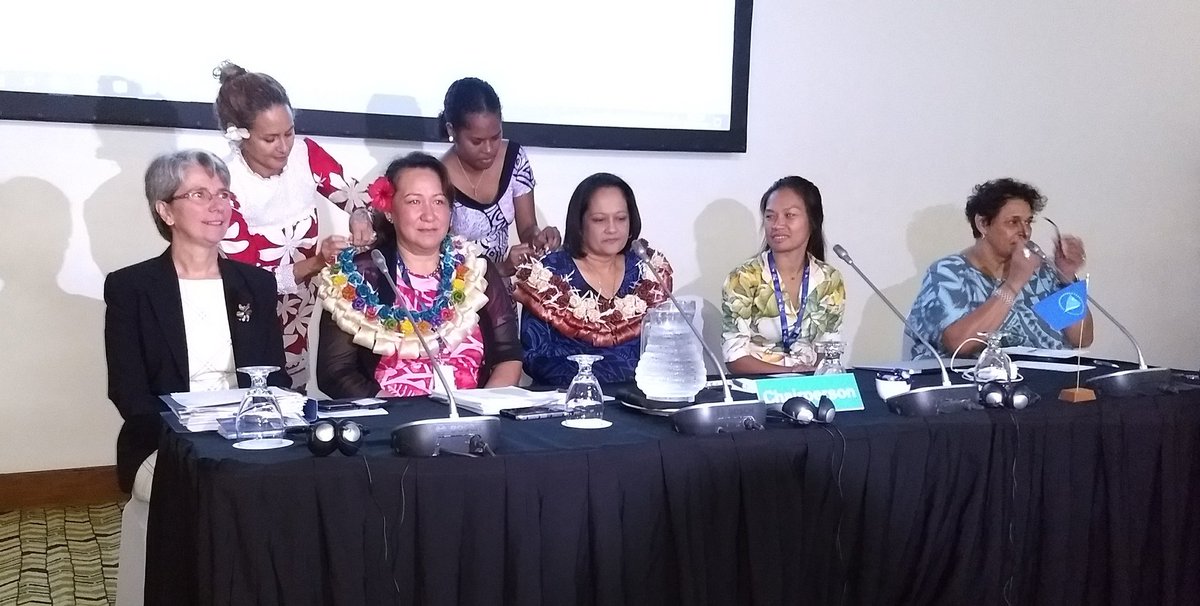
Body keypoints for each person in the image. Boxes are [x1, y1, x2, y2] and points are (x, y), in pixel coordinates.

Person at [104, 150, 288, 605]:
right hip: (167, 440)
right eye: (200, 194)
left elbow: (274, 377)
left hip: (247, 431)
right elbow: (128, 392)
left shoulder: (255, 285)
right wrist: (191, 437)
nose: (217, 205)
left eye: (223, 194)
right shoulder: (132, 288)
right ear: (165, 209)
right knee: (218, 482)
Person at [213, 61, 374, 391]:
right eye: (270, 138)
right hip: (250, 312)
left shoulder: (305, 154)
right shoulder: (226, 185)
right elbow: (254, 279)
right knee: (256, 389)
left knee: (294, 392)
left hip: (299, 308)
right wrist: (317, 261)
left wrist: (360, 214)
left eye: (289, 133)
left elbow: (355, 194)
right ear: (238, 135)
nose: (284, 146)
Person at [316, 152, 523, 398]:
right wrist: (392, 409)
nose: (429, 214)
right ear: (390, 211)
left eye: (438, 201)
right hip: (389, 421)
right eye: (414, 201)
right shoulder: (357, 277)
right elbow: (334, 372)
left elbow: (508, 356)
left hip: (470, 422)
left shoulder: (477, 272)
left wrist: (481, 411)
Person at [513, 173, 673, 386]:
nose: (612, 229)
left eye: (621, 218)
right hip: (568, 399)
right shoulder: (550, 272)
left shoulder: (644, 268)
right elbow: (535, 357)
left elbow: (664, 346)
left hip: (638, 399)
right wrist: (598, 376)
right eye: (599, 219)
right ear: (579, 223)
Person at [906, 178, 1093, 359]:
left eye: (1028, 222)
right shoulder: (949, 273)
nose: (1025, 231)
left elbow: (1081, 338)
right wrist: (1014, 283)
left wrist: (1066, 276)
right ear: (983, 224)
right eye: (1013, 222)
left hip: (1042, 383)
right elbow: (959, 344)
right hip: (974, 386)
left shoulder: (1041, 273)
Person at [721, 176, 846, 373]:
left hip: (812, 384)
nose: (777, 224)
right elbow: (735, 358)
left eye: (789, 215)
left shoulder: (830, 280)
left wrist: (817, 376)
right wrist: (792, 374)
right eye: (770, 216)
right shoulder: (744, 278)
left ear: (813, 221)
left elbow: (829, 347)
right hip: (760, 388)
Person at [438, 77, 560, 273]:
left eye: (496, 137)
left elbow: (528, 227)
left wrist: (539, 238)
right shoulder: (438, 178)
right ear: (452, 130)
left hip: (502, 295)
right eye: (477, 141)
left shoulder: (514, 158)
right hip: (459, 295)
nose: (489, 149)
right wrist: (501, 268)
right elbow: (442, 262)